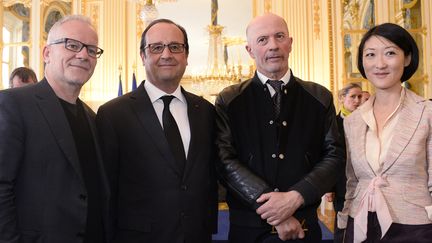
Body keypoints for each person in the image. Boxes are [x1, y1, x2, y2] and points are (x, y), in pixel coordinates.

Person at [215, 13, 344, 242]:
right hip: (248, 228)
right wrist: (275, 209)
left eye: (279, 36)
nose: (273, 45)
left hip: (304, 225)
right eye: (262, 40)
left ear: (290, 43)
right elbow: (224, 160)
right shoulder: (229, 99)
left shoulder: (319, 96)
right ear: (250, 50)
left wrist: (296, 197)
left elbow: (334, 154)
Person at [96, 19, 218, 243]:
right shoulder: (113, 114)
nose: (166, 54)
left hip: (196, 235)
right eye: (156, 47)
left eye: (175, 47)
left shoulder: (206, 112)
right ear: (143, 56)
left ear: (186, 56)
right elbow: (105, 190)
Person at [0, 15, 109, 243]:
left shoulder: (92, 117)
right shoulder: (13, 104)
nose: (83, 55)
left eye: (91, 49)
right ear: (47, 53)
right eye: (72, 45)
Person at [339, 23, 432, 242]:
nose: (379, 64)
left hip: (414, 227)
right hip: (361, 225)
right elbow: (352, 182)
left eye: (390, 53)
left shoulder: (426, 112)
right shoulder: (353, 121)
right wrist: (343, 224)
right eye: (370, 55)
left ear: (407, 58)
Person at [324, 82, 362, 243]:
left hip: (365, 182)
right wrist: (328, 187)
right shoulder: (334, 124)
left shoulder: (367, 121)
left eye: (360, 96)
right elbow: (329, 156)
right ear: (341, 98)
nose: (357, 100)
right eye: (353, 96)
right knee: (343, 224)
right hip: (342, 183)